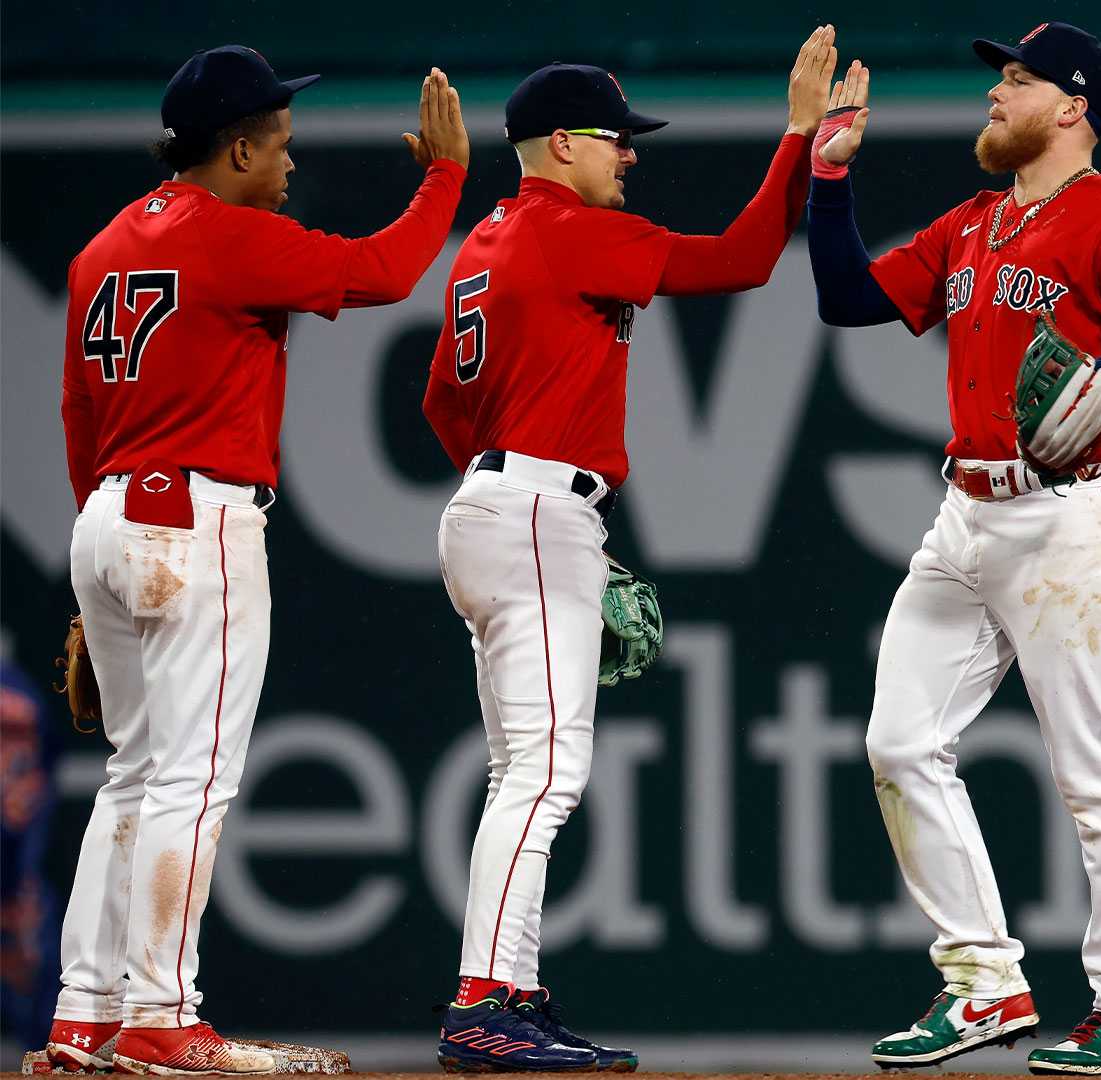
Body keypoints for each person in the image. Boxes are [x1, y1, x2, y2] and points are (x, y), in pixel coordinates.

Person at [422, 29, 838, 1073]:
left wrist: (520, 481)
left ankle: (508, 993)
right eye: (616, 139)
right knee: (548, 773)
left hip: (494, 499)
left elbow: (441, 406)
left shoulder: (488, 240)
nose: (632, 155)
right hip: (531, 511)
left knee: (526, 766)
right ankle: (482, 1001)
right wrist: (795, 137)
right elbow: (743, 259)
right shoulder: (565, 231)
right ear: (561, 143)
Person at [51, 45, 468, 1074]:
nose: (290, 160)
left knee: (133, 776)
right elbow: (382, 271)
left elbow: (77, 415)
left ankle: (81, 1018)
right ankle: (161, 1012)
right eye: (278, 142)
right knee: (192, 779)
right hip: (197, 520)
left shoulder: (103, 249)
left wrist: (101, 554)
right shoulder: (230, 238)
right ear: (235, 147)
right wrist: (447, 177)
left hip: (109, 513)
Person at [806, 21, 1101, 1076]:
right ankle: (985, 980)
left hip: (1076, 515)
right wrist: (828, 179)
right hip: (966, 517)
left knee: (1091, 771)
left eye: (1017, 81)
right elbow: (849, 298)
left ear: (1072, 107)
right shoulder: (972, 225)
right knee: (898, 742)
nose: (995, 95)